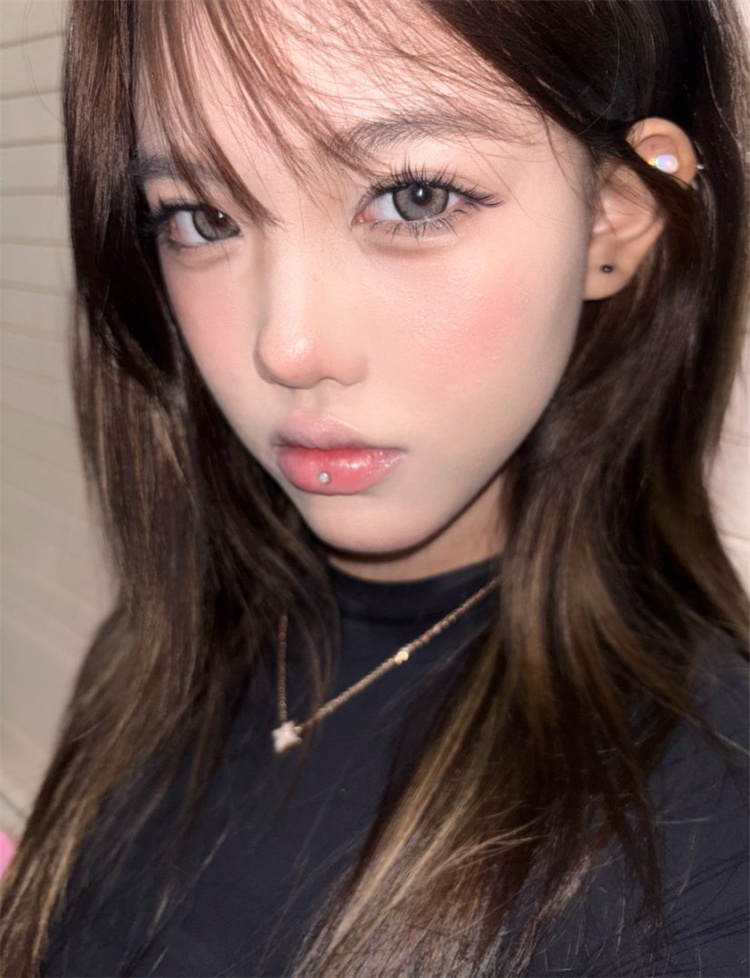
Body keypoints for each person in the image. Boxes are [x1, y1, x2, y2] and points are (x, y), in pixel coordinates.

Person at [1, 0, 748, 975]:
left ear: (613, 217)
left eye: (413, 198)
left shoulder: (703, 854)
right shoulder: (161, 643)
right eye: (201, 216)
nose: (288, 347)